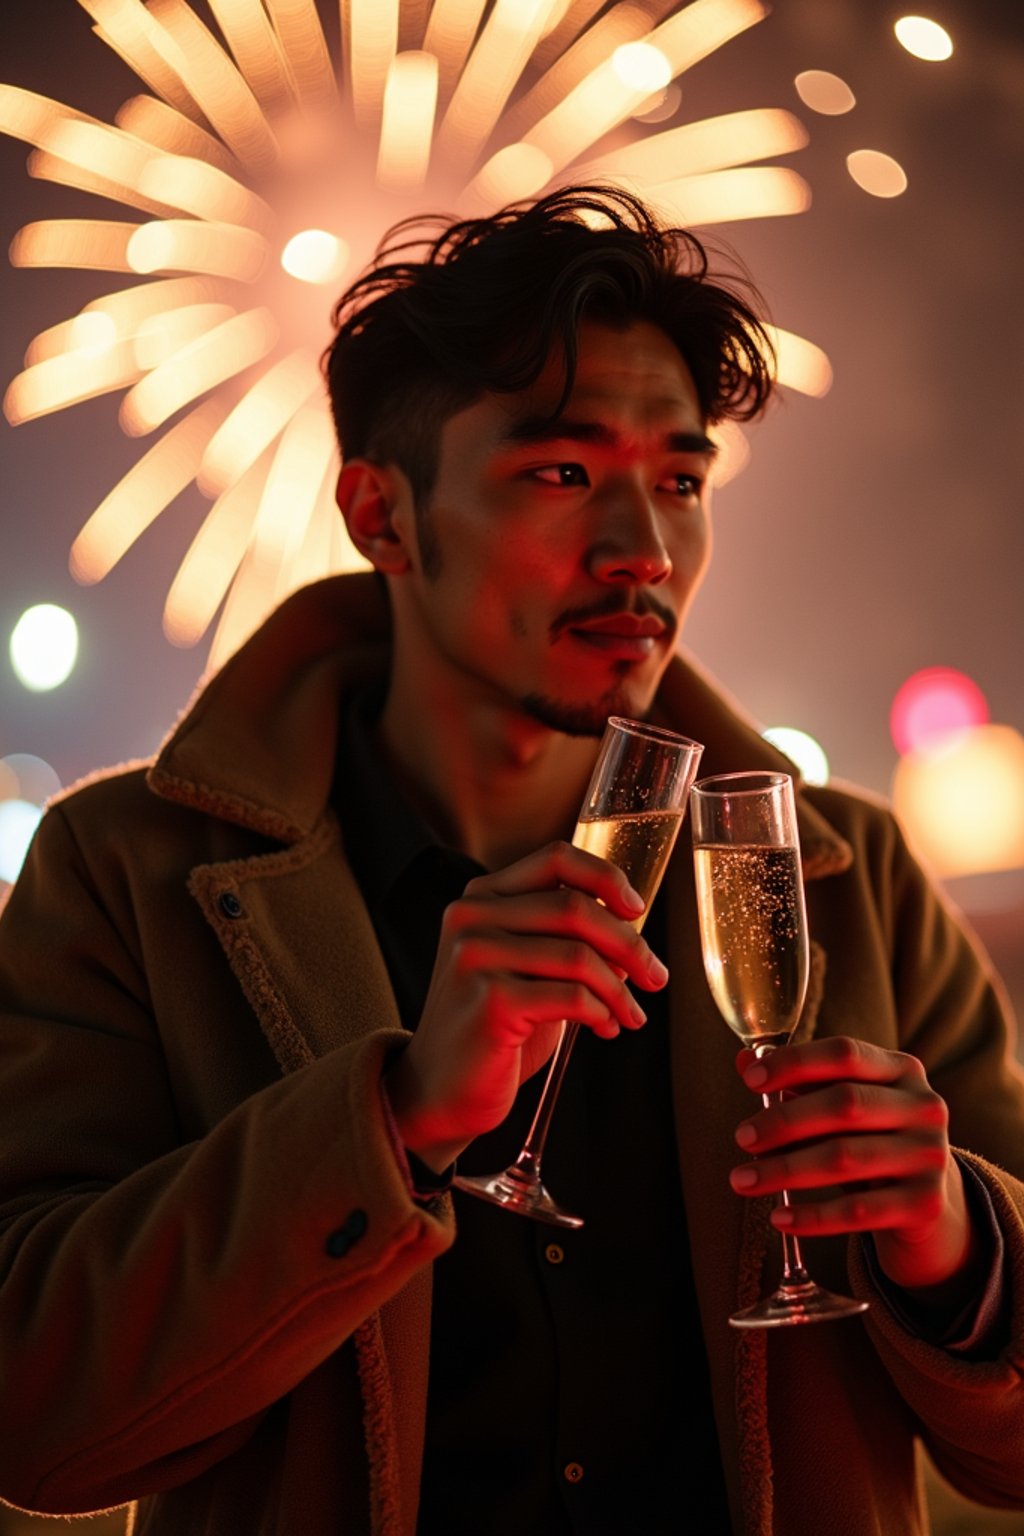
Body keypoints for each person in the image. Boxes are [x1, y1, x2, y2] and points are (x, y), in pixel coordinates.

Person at [0, 185, 1023, 1536]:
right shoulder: (128, 872)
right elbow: (36, 1419)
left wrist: (954, 1244)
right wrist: (397, 1121)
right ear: (382, 516)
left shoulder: (848, 874)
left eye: (681, 481)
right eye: (561, 473)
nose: (643, 551)